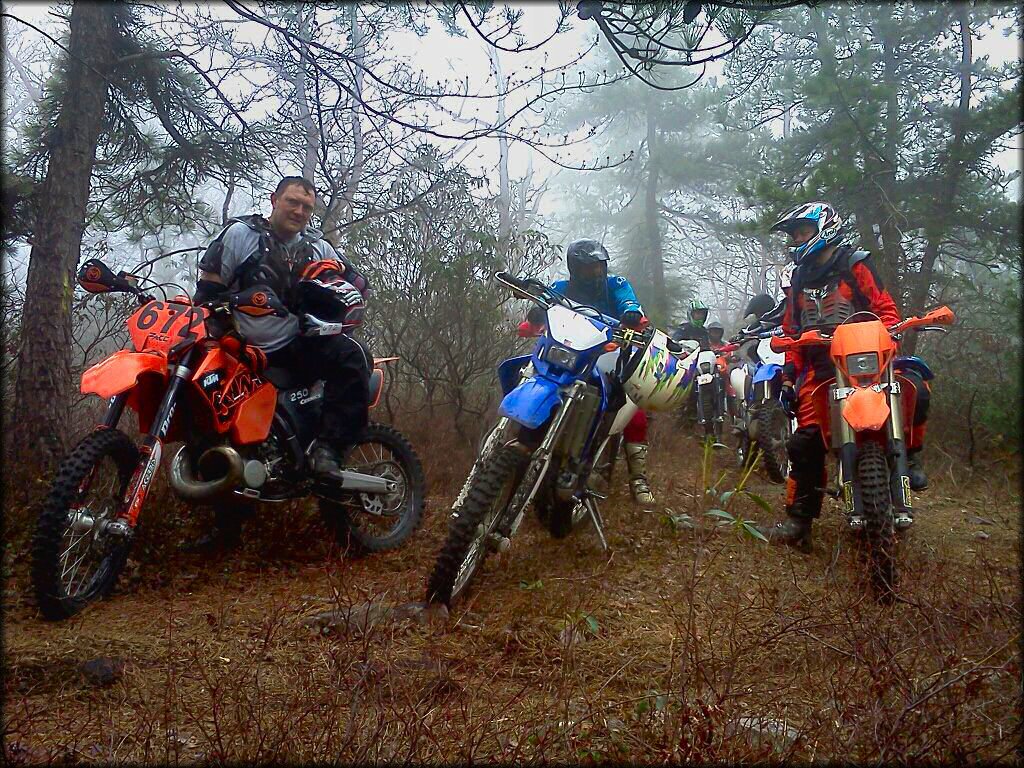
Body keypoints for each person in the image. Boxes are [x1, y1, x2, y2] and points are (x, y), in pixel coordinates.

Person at [184, 176, 372, 553]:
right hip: (238, 346)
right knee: (212, 426)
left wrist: (338, 299)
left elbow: (357, 284)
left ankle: (329, 451)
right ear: (274, 200)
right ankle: (226, 528)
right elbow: (206, 293)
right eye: (292, 202)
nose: (299, 211)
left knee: (352, 355)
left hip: (299, 345)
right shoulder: (240, 235)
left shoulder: (318, 246)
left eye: (306, 206)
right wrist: (226, 334)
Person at [758, 201, 931, 553]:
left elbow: (885, 309)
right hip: (823, 368)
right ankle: (799, 520)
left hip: (866, 358)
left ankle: (910, 456)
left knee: (915, 386)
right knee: (804, 440)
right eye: (794, 235)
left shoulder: (855, 264)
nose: (796, 240)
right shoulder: (798, 279)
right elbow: (792, 330)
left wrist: (891, 333)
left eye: (802, 232)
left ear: (824, 228)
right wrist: (790, 372)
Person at [525, 239, 656, 506]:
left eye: (599, 267)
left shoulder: (615, 285)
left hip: (608, 353)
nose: (596, 273)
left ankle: (638, 478)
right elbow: (546, 299)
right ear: (575, 269)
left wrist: (631, 313)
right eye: (589, 269)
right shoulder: (562, 288)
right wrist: (538, 308)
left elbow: (629, 301)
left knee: (632, 409)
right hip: (569, 353)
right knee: (527, 370)